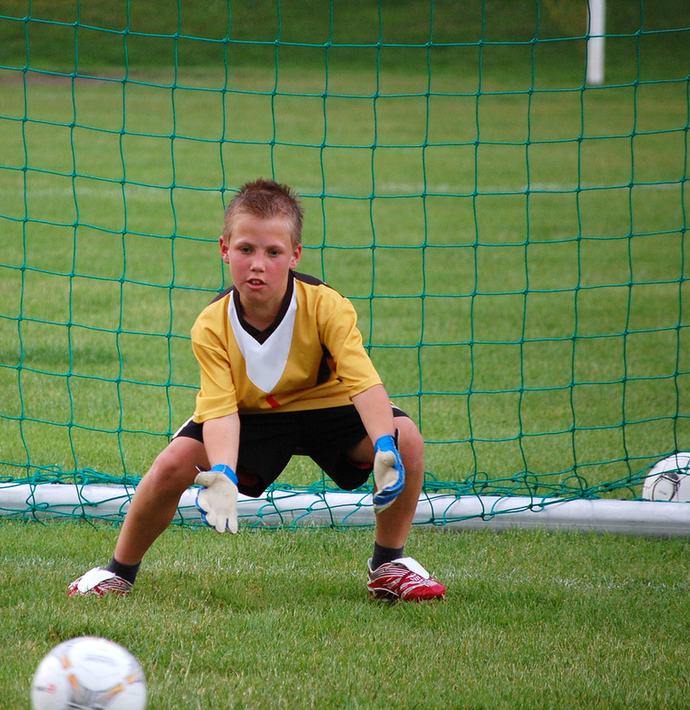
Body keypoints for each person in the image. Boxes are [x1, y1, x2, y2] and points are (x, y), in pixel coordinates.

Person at [69, 179, 445, 602]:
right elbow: (221, 409)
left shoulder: (326, 306)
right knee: (173, 463)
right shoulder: (211, 325)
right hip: (251, 416)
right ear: (225, 249)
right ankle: (118, 572)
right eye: (246, 249)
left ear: (295, 255)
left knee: (406, 439)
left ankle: (389, 565)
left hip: (328, 408)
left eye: (273, 252)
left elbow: (363, 382)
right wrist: (225, 474)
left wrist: (382, 444)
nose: (258, 265)